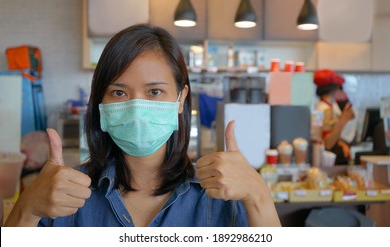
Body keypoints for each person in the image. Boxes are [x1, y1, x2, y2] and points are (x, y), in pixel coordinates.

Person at [5, 24, 280, 227]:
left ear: (181, 98)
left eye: (155, 92)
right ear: (100, 102)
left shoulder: (221, 196)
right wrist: (26, 209)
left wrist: (258, 195)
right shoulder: (63, 197)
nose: (137, 110)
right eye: (120, 92)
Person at [313, 69, 355, 165]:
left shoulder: (319, 106)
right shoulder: (327, 110)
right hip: (326, 160)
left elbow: (319, 135)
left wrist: (340, 142)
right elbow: (328, 143)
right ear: (335, 89)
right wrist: (342, 121)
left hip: (317, 155)